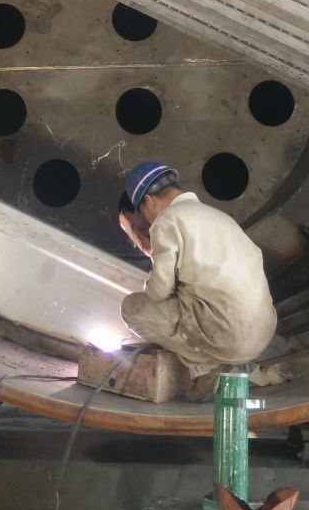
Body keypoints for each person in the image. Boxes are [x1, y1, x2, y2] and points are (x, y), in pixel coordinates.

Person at [118, 160, 278, 400]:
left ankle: (206, 365)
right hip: (263, 334)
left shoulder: (167, 220)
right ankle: (225, 359)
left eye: (144, 213)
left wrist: (149, 275)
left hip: (231, 338)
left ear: (149, 201)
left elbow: (159, 292)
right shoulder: (221, 218)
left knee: (132, 308)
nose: (148, 220)